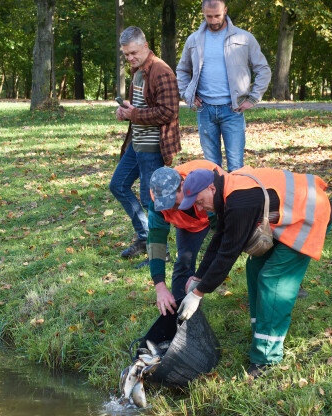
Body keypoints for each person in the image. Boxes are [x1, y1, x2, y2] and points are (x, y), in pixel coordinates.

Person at [174, 167, 332, 377]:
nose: (201, 208)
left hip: (311, 214)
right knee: (255, 267)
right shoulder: (226, 191)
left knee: (273, 280)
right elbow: (220, 238)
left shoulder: (240, 201)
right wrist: (198, 277)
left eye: (199, 201)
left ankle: (266, 359)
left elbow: (227, 255)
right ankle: (262, 333)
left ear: (211, 188)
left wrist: (199, 293)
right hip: (291, 216)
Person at [110, 26, 181, 260]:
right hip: (137, 143)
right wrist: (125, 112)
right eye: (126, 54)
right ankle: (144, 238)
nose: (130, 58)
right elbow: (140, 105)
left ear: (146, 46)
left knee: (152, 202)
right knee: (118, 185)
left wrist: (135, 114)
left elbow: (169, 111)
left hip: (153, 147)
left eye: (133, 53)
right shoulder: (139, 70)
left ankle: (160, 254)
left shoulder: (161, 71)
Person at [176, 0, 271, 172]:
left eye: (217, 15)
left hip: (233, 110)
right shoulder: (194, 40)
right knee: (212, 168)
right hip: (205, 110)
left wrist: (254, 98)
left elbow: (263, 69)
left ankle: (235, 199)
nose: (213, 21)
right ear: (203, 13)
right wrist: (187, 94)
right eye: (209, 16)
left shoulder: (244, 38)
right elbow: (182, 69)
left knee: (236, 166)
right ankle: (217, 200)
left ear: (225, 11)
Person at [147, 160, 224, 316]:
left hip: (218, 210)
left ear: (182, 185)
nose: (171, 208)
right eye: (166, 204)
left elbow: (222, 238)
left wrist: (200, 277)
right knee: (184, 261)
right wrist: (159, 285)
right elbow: (156, 242)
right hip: (190, 226)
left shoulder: (207, 185)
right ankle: (180, 314)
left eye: (173, 202)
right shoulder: (157, 203)